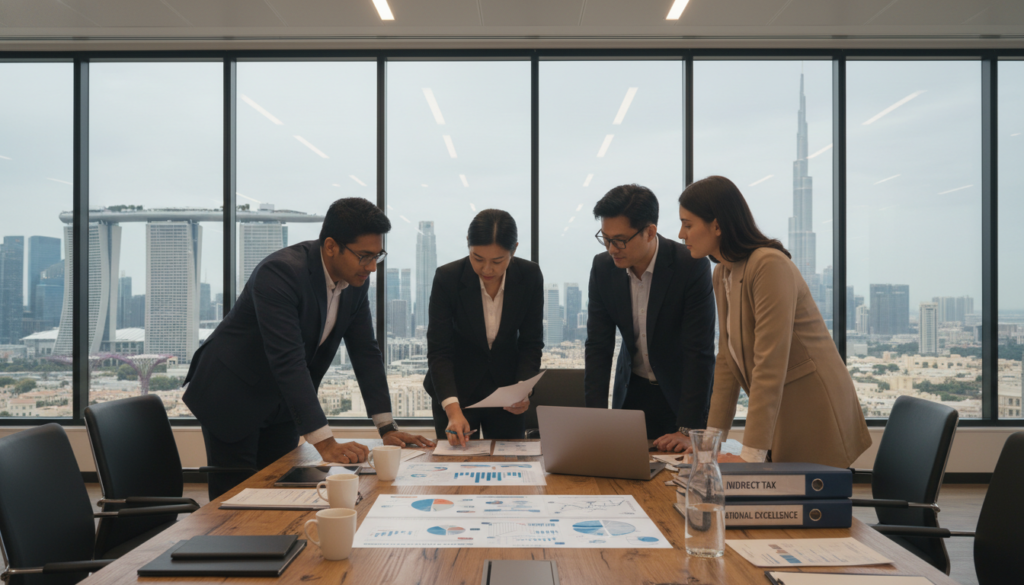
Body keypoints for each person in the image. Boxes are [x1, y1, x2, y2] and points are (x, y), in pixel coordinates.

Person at [183, 197, 433, 499]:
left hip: (282, 402)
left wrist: (386, 427)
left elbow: (365, 351)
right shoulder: (280, 273)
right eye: (364, 256)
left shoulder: (356, 283)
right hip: (232, 394)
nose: (372, 268)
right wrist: (326, 443)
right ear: (331, 246)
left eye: (377, 257)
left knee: (282, 490)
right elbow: (288, 359)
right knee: (236, 501)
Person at [662, 175, 871, 467]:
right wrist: (710, 442)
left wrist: (750, 456)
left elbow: (769, 363)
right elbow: (727, 361)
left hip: (815, 411)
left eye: (687, 224)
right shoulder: (723, 273)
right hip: (785, 412)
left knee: (802, 507)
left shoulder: (768, 264)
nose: (681, 234)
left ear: (717, 225)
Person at [584, 184, 717, 441]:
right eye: (606, 238)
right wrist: (595, 420)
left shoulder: (690, 265)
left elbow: (698, 352)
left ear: (649, 232)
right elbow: (598, 346)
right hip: (632, 391)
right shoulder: (603, 268)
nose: (612, 249)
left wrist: (688, 429)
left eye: (620, 240)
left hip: (681, 397)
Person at [424, 209, 544, 446]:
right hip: (456, 391)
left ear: (514, 249)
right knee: (453, 469)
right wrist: (452, 409)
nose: (487, 269)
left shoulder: (529, 276)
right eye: (477, 258)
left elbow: (531, 343)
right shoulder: (447, 278)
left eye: (497, 261)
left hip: (506, 393)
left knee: (510, 469)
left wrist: (522, 390)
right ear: (468, 244)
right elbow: (440, 351)